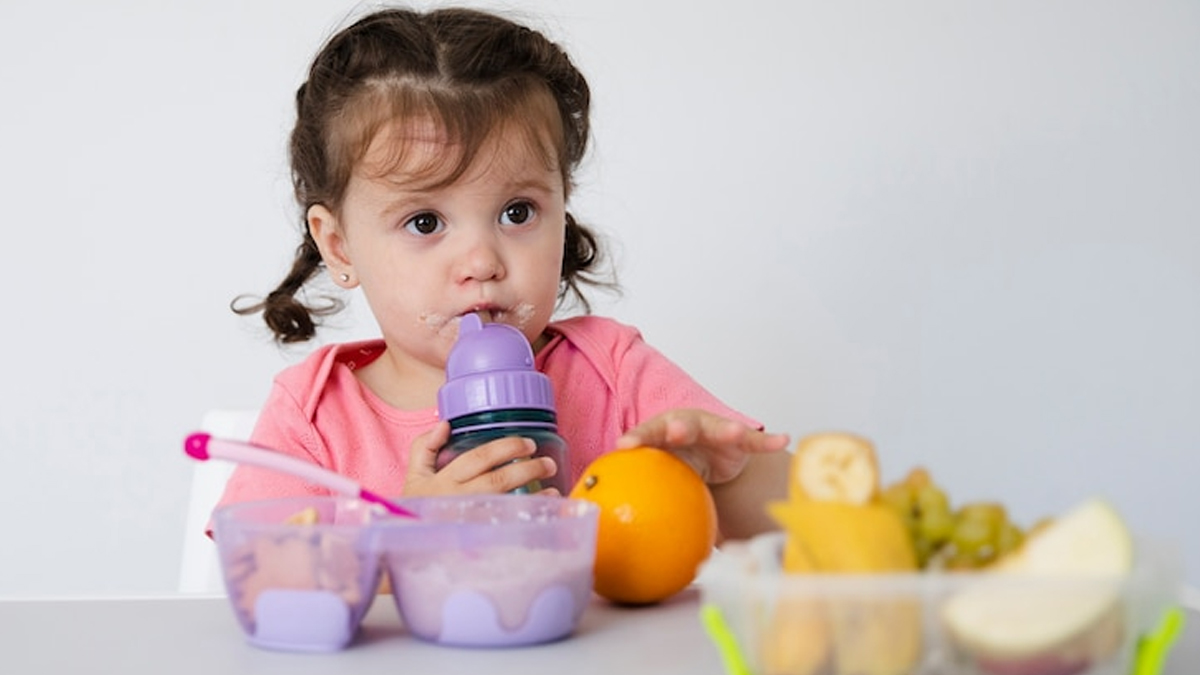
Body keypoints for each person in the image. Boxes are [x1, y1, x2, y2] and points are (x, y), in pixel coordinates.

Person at [215, 6, 790, 541]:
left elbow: (804, 518)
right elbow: (268, 581)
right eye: (424, 222)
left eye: (518, 213)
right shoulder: (316, 416)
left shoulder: (613, 375)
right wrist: (408, 539)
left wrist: (724, 479)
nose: (483, 263)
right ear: (339, 247)